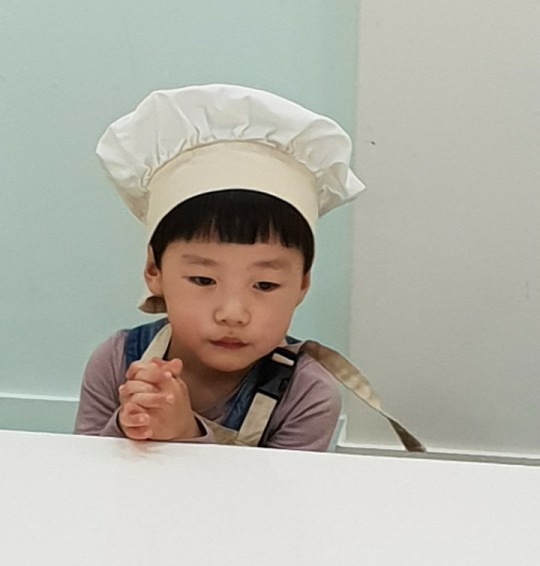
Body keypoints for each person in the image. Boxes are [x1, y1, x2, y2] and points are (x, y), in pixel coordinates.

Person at [75, 84, 424, 453]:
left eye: (265, 285)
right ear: (153, 271)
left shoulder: (307, 394)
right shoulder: (116, 361)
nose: (232, 313)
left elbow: (279, 491)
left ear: (302, 284)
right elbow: (84, 474)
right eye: (203, 279)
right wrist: (129, 422)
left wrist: (185, 436)